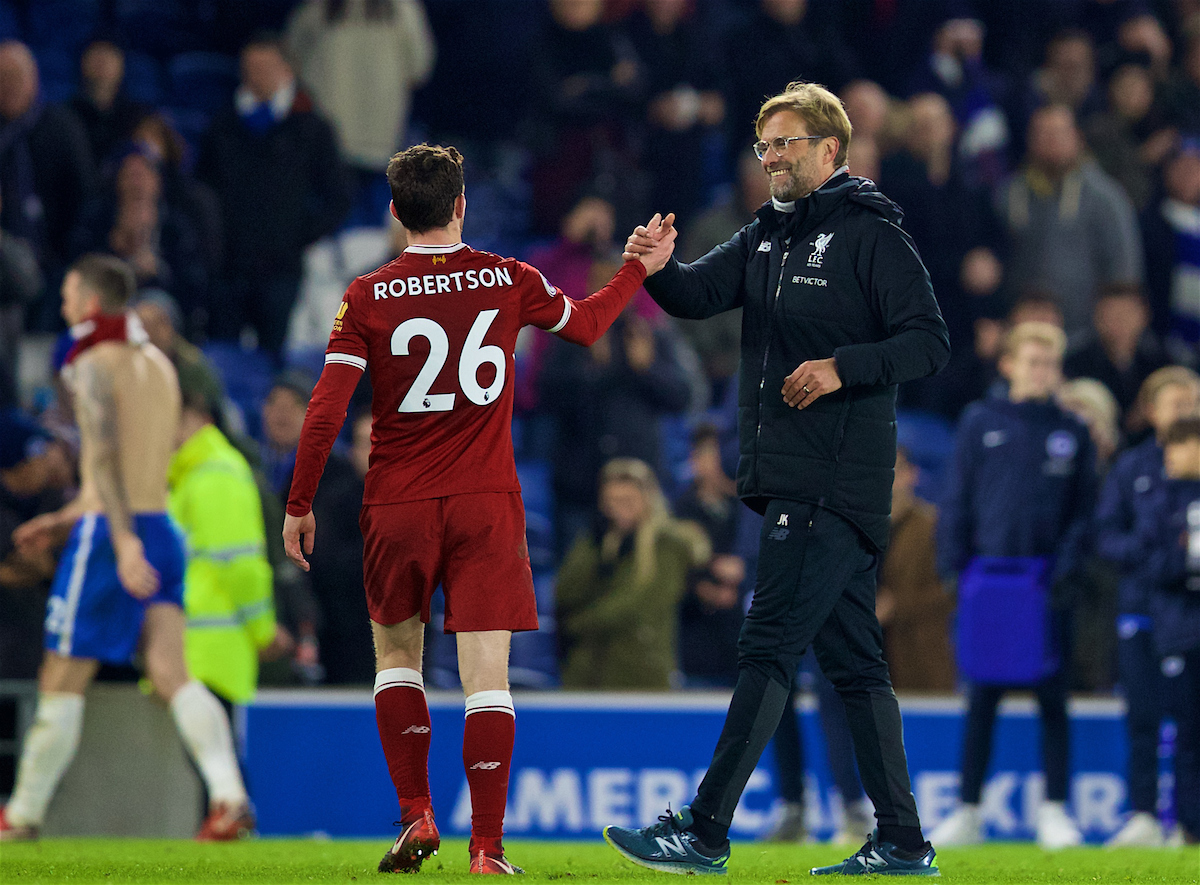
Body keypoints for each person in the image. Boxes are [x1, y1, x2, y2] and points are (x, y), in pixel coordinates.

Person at [280, 144, 678, 874]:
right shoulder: (510, 278)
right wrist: (634, 270)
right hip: (485, 503)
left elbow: (326, 406)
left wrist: (300, 500)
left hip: (396, 501)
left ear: (397, 213)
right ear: (462, 204)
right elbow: (588, 327)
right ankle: (488, 849)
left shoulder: (366, 294)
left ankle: (416, 814)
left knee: (399, 659)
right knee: (486, 676)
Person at [608, 80, 949, 877]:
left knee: (765, 647)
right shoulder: (768, 234)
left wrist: (841, 368)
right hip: (797, 481)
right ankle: (901, 839)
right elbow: (699, 294)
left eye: (787, 143)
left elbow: (929, 341)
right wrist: (659, 270)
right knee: (857, 666)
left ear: (832, 149)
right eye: (765, 147)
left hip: (833, 482)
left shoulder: (872, 235)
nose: (772, 159)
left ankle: (705, 828)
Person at [0, 255, 252, 842]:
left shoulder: (91, 363)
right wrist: (64, 520)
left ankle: (22, 814)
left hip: (116, 537)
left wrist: (116, 540)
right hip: (160, 528)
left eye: (67, 294)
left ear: (90, 301)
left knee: (60, 673)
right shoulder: (159, 367)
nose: (62, 306)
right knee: (172, 672)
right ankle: (229, 795)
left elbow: (106, 465)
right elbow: (132, 474)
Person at [933, 321, 1098, 849]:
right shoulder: (979, 422)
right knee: (982, 696)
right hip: (989, 577)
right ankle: (968, 810)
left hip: (1048, 580)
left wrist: (1067, 570)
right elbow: (957, 496)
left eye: (1049, 363)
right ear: (1008, 365)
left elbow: (1085, 511)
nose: (1040, 371)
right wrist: (954, 568)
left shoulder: (1073, 432)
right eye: (1031, 361)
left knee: (1053, 697)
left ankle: (1054, 810)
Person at [1095, 366, 1200, 846]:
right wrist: (1155, 556)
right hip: (1141, 608)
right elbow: (1106, 537)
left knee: (1192, 721)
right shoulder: (1132, 467)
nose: (1187, 411)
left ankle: (1187, 820)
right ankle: (1142, 813)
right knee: (1142, 715)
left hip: (1190, 613)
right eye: (1176, 403)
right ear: (1152, 410)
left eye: (1193, 402)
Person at [555, 457, 708, 690]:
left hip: (641, 672)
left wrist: (578, 624)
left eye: (627, 501)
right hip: (587, 673)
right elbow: (564, 592)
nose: (617, 510)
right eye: (611, 502)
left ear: (648, 499)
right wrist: (592, 551)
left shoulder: (667, 545)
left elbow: (638, 604)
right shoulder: (595, 542)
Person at [1137, 415, 1200, 845]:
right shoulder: (1161, 501)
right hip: (1180, 631)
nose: (1170, 457)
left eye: (1178, 446)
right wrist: (1185, 562)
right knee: (1188, 736)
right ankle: (1188, 826)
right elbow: (1149, 564)